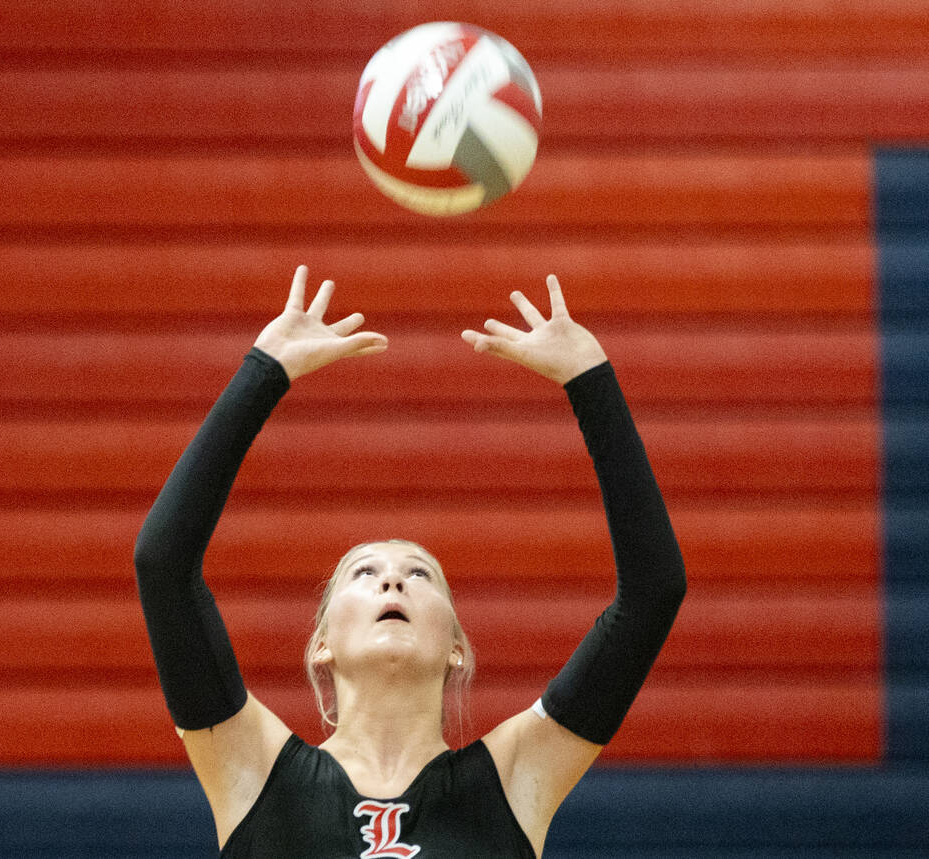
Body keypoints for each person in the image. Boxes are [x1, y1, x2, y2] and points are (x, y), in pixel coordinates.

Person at [134, 265, 686, 858]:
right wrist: (264, 372)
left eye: (420, 574)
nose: (393, 577)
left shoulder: (516, 778)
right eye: (364, 573)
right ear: (321, 641)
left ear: (456, 643)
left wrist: (591, 381)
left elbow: (654, 591)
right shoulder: (250, 769)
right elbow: (163, 565)